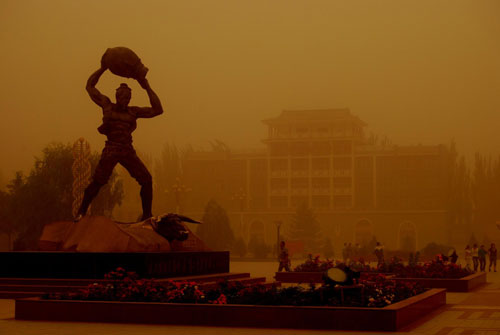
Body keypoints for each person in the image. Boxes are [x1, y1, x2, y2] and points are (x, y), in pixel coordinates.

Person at [75, 66, 163, 222]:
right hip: (111, 149)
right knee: (98, 181)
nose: (126, 100)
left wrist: (146, 85)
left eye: (128, 98)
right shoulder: (107, 105)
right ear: (117, 96)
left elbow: (158, 110)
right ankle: (81, 211)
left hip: (127, 150)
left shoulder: (133, 112)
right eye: (123, 97)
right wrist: (103, 68)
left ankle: (147, 214)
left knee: (147, 180)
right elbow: (89, 87)